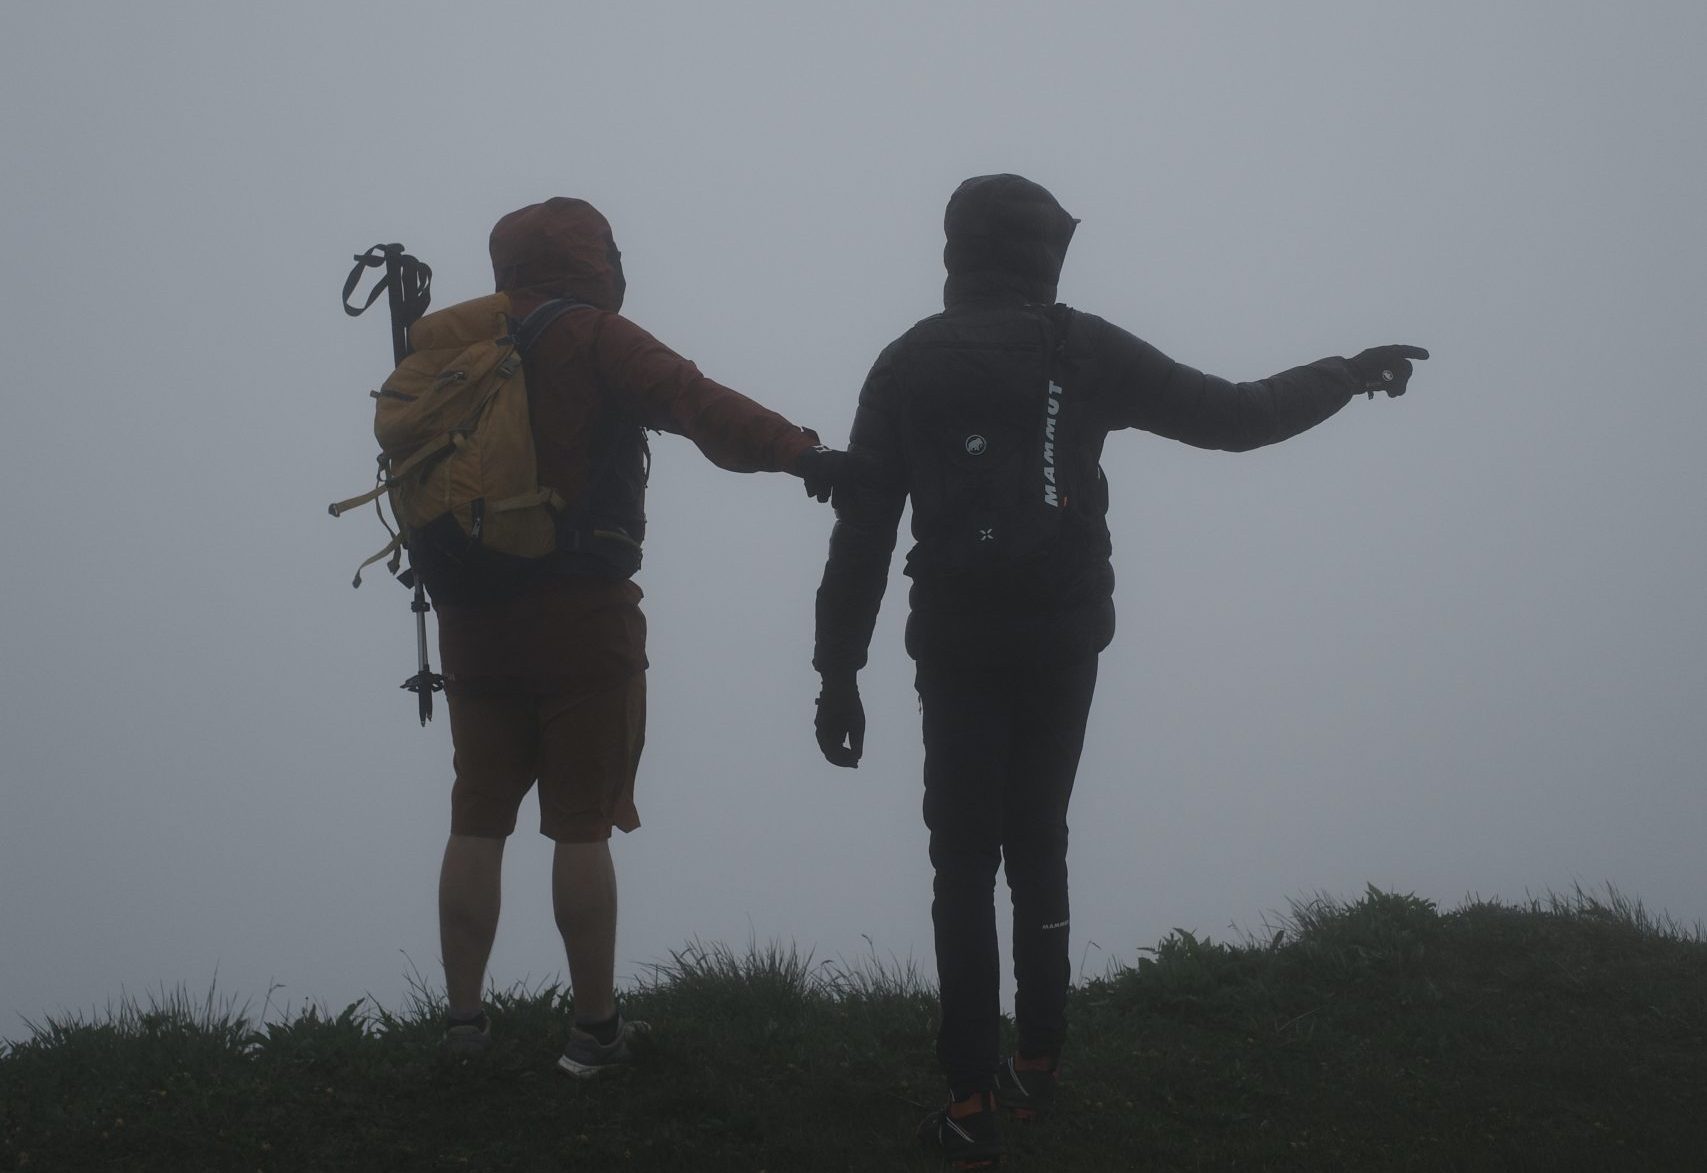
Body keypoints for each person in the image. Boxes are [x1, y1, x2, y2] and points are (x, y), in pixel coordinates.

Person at [811, 173, 1426, 1166]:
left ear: (956, 252)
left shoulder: (907, 363)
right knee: (1038, 839)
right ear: (1041, 254)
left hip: (958, 645)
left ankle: (968, 1103)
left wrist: (837, 671)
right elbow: (1235, 415)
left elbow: (864, 531)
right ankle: (1039, 1065)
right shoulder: (1081, 345)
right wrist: (1344, 373)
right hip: (1062, 636)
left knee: (961, 865)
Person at [434, 196, 846, 1074]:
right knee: (579, 827)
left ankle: (462, 1030)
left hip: (468, 616)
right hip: (582, 614)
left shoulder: (456, 346)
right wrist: (802, 454)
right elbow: (696, 403)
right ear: (593, 260)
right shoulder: (590, 335)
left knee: (477, 816)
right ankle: (594, 1036)